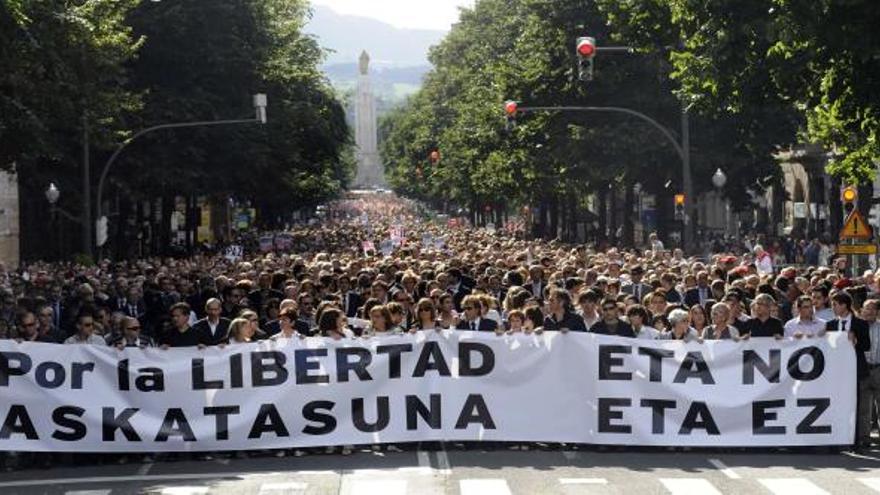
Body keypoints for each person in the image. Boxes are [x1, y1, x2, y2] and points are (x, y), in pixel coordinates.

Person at [826, 291, 871, 449]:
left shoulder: (860, 324)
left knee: (856, 404)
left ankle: (855, 440)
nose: (833, 308)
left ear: (844, 305)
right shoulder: (830, 325)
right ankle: (838, 438)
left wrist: (856, 341)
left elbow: (867, 346)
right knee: (838, 404)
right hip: (837, 372)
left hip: (856, 371)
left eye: (835, 305)